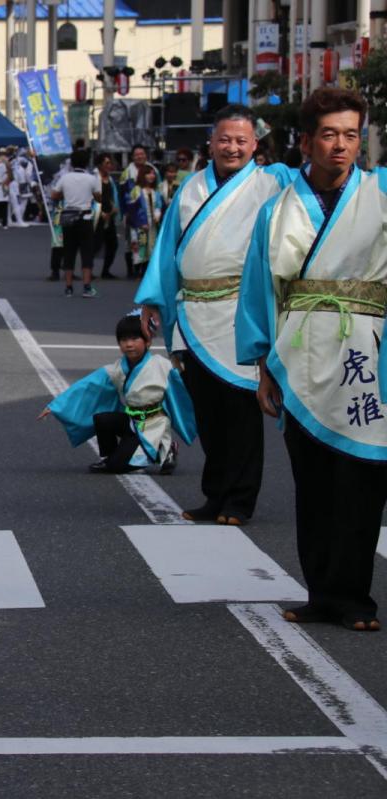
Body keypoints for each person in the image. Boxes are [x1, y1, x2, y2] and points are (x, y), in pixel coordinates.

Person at [235, 87, 387, 632]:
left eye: (351, 134)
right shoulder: (277, 210)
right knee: (314, 482)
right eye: (329, 134)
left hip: (366, 353)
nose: (341, 146)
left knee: (364, 478)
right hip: (299, 355)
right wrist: (261, 368)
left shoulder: (381, 194)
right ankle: (322, 592)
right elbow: (259, 289)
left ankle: (355, 598)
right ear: (306, 141)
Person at [136, 104, 294, 526]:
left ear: (255, 145)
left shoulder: (273, 181)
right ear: (211, 142)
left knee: (241, 415)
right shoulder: (190, 187)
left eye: (241, 140)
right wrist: (152, 300)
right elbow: (167, 247)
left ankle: (240, 500)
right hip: (192, 314)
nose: (232, 147)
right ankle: (215, 494)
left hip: (239, 314)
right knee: (208, 414)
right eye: (225, 139)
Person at [40, 312, 195, 474]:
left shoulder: (162, 365)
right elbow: (88, 386)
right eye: (124, 340)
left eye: (135, 339)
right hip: (132, 421)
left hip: (153, 425)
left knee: (116, 467)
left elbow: (183, 387)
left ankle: (165, 447)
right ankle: (110, 456)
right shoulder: (117, 368)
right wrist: (56, 406)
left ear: (148, 341)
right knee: (102, 419)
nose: (129, 344)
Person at [50, 149, 102, 298]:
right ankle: (86, 286)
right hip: (85, 217)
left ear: (72, 163)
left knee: (69, 252)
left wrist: (65, 195)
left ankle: (68, 287)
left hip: (68, 216)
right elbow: (98, 197)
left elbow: (54, 194)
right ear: (87, 163)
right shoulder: (91, 179)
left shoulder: (65, 178)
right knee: (86, 253)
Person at [125, 164, 165, 279]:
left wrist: (157, 215)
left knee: (151, 246)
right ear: (143, 175)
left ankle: (146, 271)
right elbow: (132, 209)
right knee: (140, 245)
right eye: (149, 173)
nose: (152, 176)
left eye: (153, 173)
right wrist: (141, 222)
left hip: (152, 223)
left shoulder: (155, 191)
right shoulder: (136, 191)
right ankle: (137, 271)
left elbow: (158, 205)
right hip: (139, 224)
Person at [94, 153, 122, 280]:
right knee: (95, 244)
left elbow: (112, 196)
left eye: (110, 163)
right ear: (99, 164)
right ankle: (88, 269)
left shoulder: (110, 179)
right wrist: (99, 212)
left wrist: (114, 208)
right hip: (97, 215)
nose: (109, 166)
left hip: (109, 215)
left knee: (113, 244)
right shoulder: (94, 178)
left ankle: (106, 270)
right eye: (106, 163)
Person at [10, 148, 38, 226]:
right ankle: (19, 220)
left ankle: (11, 219)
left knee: (13, 203)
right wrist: (31, 183)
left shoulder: (13, 161)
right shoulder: (28, 162)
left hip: (12, 182)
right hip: (23, 183)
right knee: (23, 202)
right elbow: (28, 174)